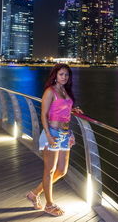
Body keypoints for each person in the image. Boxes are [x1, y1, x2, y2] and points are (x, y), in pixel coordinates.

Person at [26, 64, 83, 216]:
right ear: (55, 76)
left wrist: (72, 110)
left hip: (65, 133)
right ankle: (49, 205)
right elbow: (44, 115)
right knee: (49, 170)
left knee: (62, 170)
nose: (64, 77)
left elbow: (61, 108)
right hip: (52, 132)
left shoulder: (65, 91)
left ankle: (34, 193)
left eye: (66, 75)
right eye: (61, 74)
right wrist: (49, 136)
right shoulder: (50, 91)